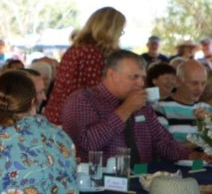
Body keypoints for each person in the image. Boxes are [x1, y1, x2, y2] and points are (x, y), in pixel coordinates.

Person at [61, 50, 200, 164]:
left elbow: (162, 142)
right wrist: (126, 109)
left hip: (142, 181)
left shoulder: (142, 105)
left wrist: (195, 156)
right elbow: (87, 144)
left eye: (142, 77)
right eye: (134, 77)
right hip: (98, 185)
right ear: (111, 74)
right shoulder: (83, 99)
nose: (140, 83)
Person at [43, 7, 125, 125]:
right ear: (110, 30)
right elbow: (96, 91)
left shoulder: (79, 48)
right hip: (74, 120)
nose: (120, 35)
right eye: (120, 31)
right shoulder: (92, 53)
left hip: (61, 114)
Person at [155, 59, 210, 142]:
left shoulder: (207, 109)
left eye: (203, 83)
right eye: (194, 83)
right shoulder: (160, 108)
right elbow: (164, 148)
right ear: (178, 82)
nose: (200, 89)